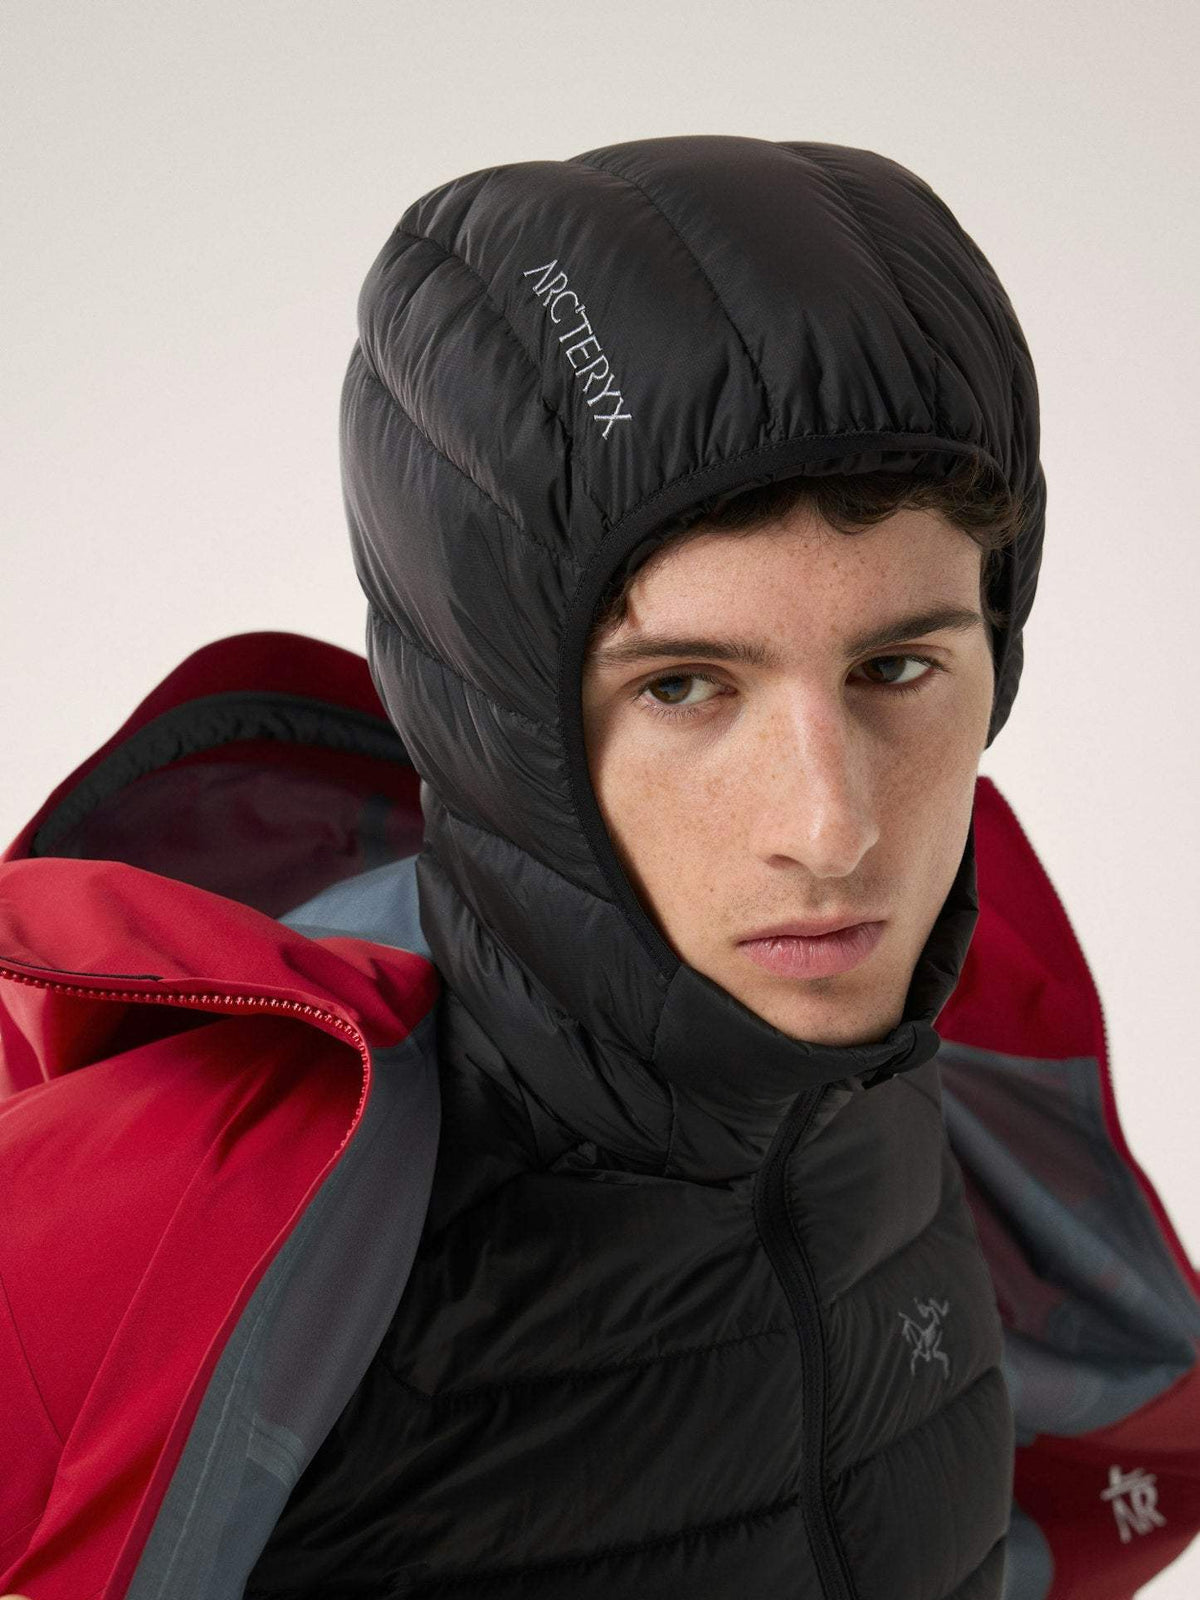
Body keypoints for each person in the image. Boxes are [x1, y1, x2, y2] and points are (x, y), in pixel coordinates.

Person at [2, 135, 1198, 1600]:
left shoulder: (902, 1081)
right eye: (686, 687)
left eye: (898, 668)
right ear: (501, 721)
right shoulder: (183, 1226)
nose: (833, 831)